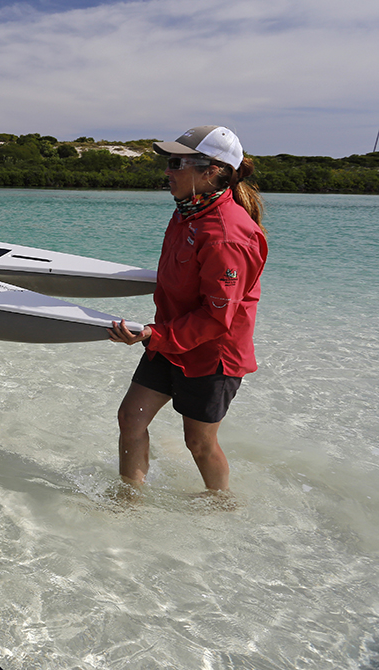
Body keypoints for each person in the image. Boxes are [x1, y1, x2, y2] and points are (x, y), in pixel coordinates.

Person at [108, 125, 267, 493]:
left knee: (198, 443)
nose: (168, 170)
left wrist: (152, 334)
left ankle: (223, 504)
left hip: (212, 353)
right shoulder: (188, 210)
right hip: (171, 337)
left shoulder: (228, 235)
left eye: (177, 163)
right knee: (130, 418)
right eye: (168, 161)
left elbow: (217, 317)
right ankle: (128, 503)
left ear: (210, 170)